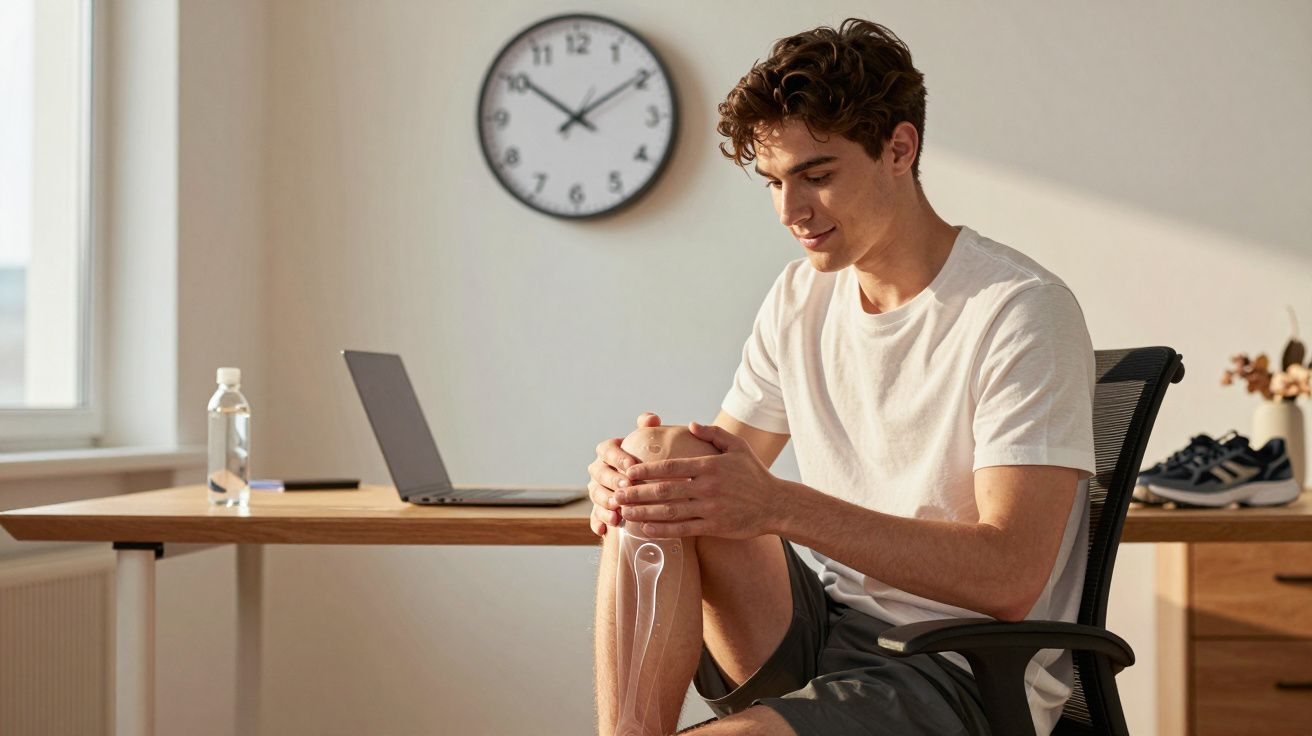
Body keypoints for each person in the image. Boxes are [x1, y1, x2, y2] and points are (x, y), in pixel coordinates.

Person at [588, 18, 1095, 736]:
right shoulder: (801, 297)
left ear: (899, 148)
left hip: (957, 669)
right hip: (823, 632)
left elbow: (1011, 579)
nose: (791, 211)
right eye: (773, 182)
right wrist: (629, 482)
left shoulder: (1018, 310)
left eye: (817, 177)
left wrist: (780, 506)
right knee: (661, 464)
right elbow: (714, 480)